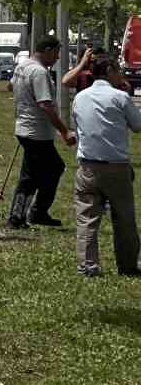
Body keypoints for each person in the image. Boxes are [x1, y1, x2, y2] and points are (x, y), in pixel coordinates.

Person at [70, 55, 141, 277]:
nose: (121, 74)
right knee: (124, 219)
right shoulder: (120, 97)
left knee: (86, 219)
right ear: (109, 71)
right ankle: (127, 265)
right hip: (116, 166)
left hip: (87, 166)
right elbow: (138, 126)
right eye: (118, 70)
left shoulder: (80, 97)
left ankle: (88, 265)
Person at [9, 35, 78, 228]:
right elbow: (46, 105)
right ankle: (26, 214)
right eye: (56, 53)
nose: (57, 58)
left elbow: (10, 86)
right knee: (45, 171)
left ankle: (28, 213)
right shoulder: (39, 72)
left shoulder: (22, 66)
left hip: (25, 127)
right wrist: (64, 132)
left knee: (35, 172)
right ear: (47, 50)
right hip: (36, 132)